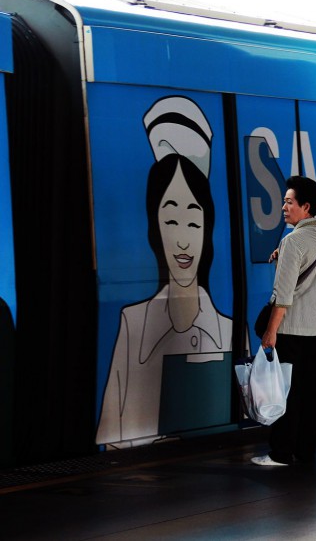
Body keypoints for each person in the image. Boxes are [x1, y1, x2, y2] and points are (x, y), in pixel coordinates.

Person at [97, 96, 234, 448]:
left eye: (193, 221)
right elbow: (112, 437)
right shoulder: (133, 323)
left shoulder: (231, 330)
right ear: (154, 230)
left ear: (208, 229)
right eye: (171, 220)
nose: (183, 241)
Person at [252, 175, 316, 466]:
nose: (284, 208)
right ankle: (305, 450)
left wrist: (270, 332)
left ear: (306, 207)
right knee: (310, 393)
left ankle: (280, 453)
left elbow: (283, 294)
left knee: (285, 392)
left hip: (290, 332)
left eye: (289, 202)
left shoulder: (292, 241)